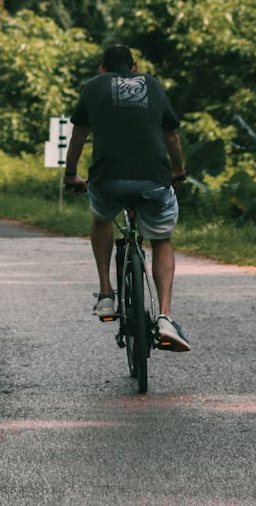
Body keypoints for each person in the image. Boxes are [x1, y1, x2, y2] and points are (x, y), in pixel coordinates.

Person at [63, 43, 191, 352]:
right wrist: (178, 170)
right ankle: (165, 317)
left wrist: (71, 175)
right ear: (134, 67)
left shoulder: (94, 86)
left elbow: (78, 136)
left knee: (102, 217)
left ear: (102, 69)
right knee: (161, 240)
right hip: (154, 180)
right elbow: (171, 135)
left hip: (108, 181)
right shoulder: (153, 84)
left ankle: (107, 294)